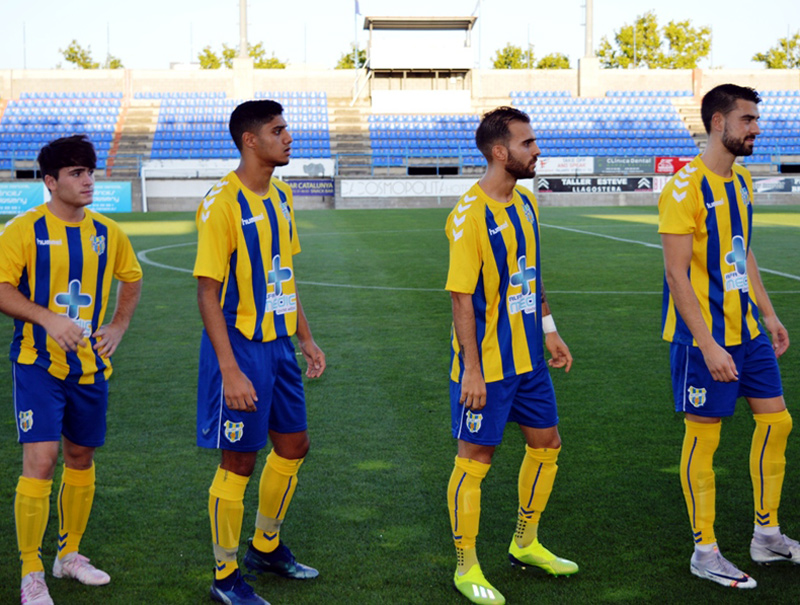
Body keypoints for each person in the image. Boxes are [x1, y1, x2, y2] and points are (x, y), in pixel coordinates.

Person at [659, 83, 797, 590]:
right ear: (719, 122)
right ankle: (706, 550)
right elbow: (677, 276)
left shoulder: (741, 182)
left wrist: (769, 314)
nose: (756, 128)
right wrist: (710, 344)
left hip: (750, 332)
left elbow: (744, 254)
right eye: (747, 120)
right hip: (704, 340)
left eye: (755, 119)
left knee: (777, 423)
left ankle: (767, 536)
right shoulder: (683, 188)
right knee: (705, 438)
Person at [0, 134, 143, 605]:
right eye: (76, 173)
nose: (88, 180)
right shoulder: (23, 230)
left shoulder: (106, 232)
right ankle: (31, 570)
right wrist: (46, 318)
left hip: (90, 367)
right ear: (50, 181)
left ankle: (69, 556)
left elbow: (132, 278)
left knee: (80, 458)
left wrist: (118, 325)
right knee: (41, 461)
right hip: (36, 363)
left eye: (90, 171)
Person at [194, 99, 326, 605]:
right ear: (250, 140)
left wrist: (305, 337)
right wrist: (230, 370)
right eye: (278, 129)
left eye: (286, 127)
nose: (288, 136)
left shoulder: (283, 196)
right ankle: (225, 578)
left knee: (293, 446)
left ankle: (265, 547)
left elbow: (283, 278)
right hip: (240, 348)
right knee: (238, 463)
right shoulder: (221, 203)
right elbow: (207, 292)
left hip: (279, 347)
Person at [444, 106, 577, 605]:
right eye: (527, 143)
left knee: (548, 445)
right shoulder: (469, 216)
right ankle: (466, 565)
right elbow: (461, 298)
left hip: (530, 361)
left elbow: (533, 275)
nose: (536, 150)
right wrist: (472, 371)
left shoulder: (527, 202)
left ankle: (526, 543)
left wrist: (549, 330)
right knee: (475, 461)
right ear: (500, 153)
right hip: (489, 368)